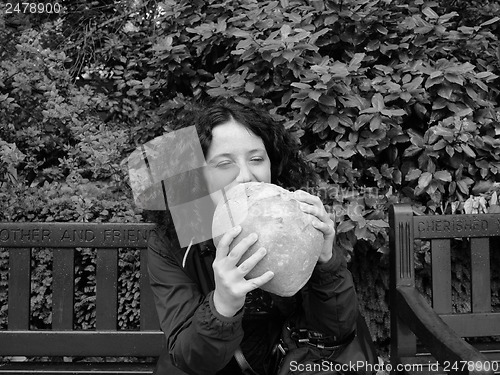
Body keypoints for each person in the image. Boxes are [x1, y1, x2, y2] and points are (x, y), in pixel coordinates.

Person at [145, 98, 360, 375]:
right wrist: (222, 305)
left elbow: (336, 331)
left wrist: (327, 264)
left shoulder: (298, 222)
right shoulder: (172, 241)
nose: (245, 176)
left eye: (256, 159)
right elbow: (191, 359)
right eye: (224, 164)